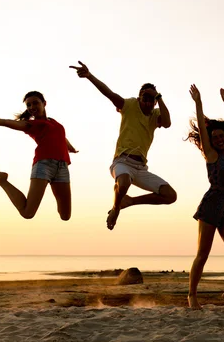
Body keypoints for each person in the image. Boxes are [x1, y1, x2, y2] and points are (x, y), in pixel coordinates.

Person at [69, 61, 177, 230]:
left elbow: (168, 123)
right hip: (121, 162)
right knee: (124, 182)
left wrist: (159, 97)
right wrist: (89, 76)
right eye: (145, 98)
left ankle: (130, 201)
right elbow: (109, 93)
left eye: (152, 100)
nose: (148, 103)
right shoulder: (129, 105)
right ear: (139, 97)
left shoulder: (156, 114)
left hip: (140, 168)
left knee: (170, 196)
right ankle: (116, 208)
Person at [0, 91, 77, 220]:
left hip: (62, 167)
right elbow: (5, 122)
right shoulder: (30, 124)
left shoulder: (53, 122)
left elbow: (61, 135)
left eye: (35, 103)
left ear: (44, 103)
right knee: (27, 213)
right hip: (44, 165)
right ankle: (1, 180)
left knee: (65, 216)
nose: (31, 107)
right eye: (28, 105)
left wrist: (70, 148)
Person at [186, 85, 224, 313]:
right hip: (211, 206)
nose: (219, 139)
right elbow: (201, 126)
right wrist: (198, 103)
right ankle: (192, 295)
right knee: (203, 254)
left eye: (222, 136)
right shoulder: (210, 155)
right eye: (215, 137)